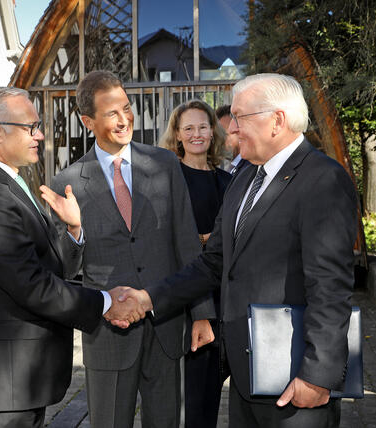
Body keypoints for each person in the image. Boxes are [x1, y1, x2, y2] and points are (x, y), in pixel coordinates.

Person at [113, 73, 358, 427]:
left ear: (277, 120)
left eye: (240, 118)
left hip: (294, 377)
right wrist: (147, 299)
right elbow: (213, 263)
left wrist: (319, 374)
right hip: (247, 375)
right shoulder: (244, 179)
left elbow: (330, 286)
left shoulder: (323, 179)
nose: (231, 131)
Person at [0, 87, 143, 428]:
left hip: (17, 382)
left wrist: (74, 230)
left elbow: (46, 267)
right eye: (30, 126)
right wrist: (107, 302)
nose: (40, 134)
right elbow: (32, 285)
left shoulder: (5, 182)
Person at [51, 70, 214, 428]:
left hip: (166, 324)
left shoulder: (166, 164)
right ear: (87, 121)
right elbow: (62, 269)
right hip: (108, 333)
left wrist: (201, 313)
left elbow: (187, 242)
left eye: (127, 107)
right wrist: (75, 229)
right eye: (112, 113)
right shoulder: (66, 183)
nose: (125, 119)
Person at [161, 99, 232, 428]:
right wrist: (199, 242)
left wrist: (209, 242)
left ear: (213, 131)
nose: (197, 134)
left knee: (212, 395)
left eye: (203, 126)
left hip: (227, 297)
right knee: (193, 398)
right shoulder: (169, 180)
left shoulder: (227, 181)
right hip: (191, 299)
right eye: (188, 128)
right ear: (177, 134)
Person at [216, 104, 248, 176]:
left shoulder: (250, 167)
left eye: (225, 134)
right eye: (218, 135)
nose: (220, 140)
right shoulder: (230, 166)